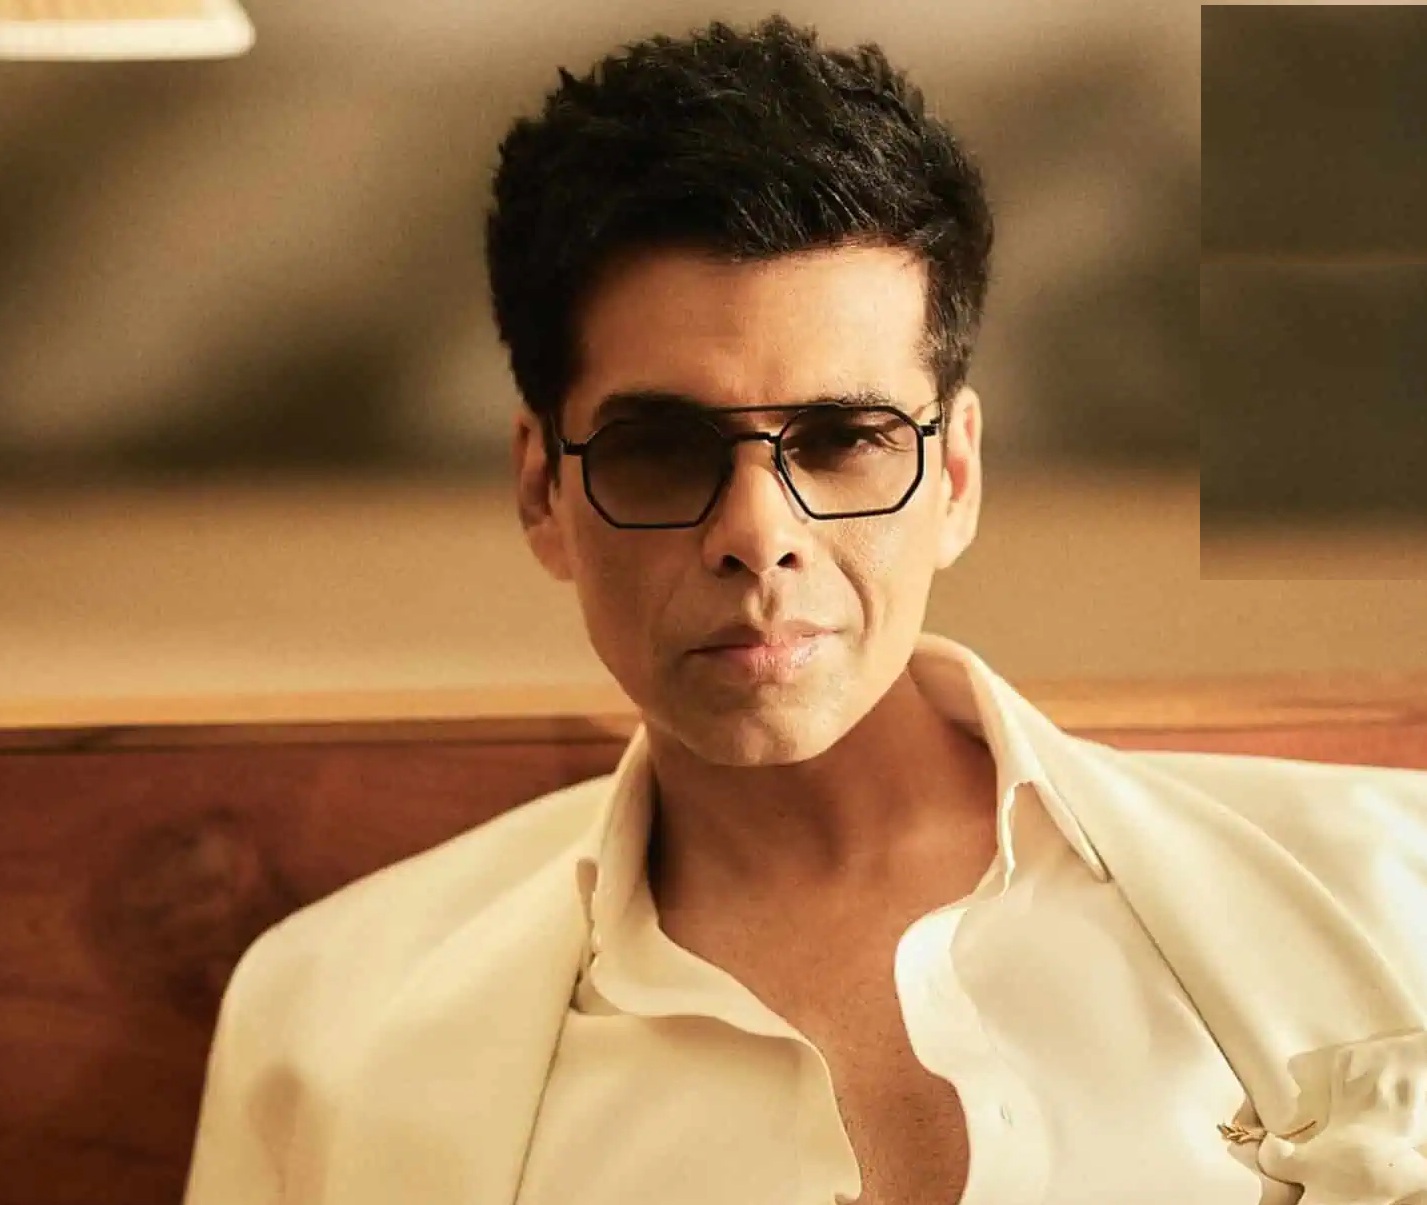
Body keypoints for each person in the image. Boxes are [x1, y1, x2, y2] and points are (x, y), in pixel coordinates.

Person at [181, 14, 1427, 1205]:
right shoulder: (329, 1019)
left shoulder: (1390, 887)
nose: (755, 532)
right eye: (661, 447)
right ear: (539, 489)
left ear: (954, 476)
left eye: (842, 438)